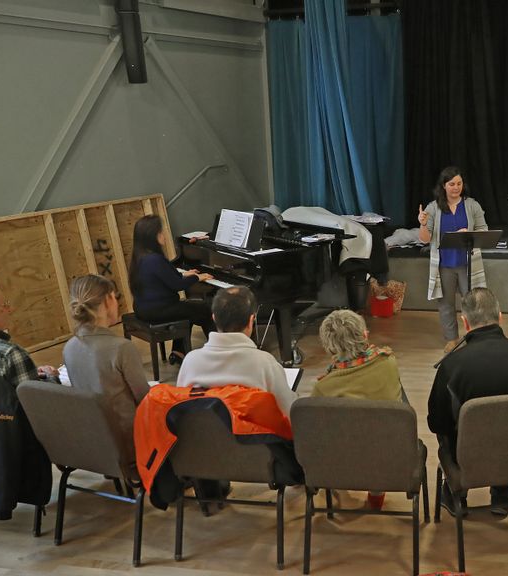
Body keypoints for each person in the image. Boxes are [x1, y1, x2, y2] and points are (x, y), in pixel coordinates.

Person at [427, 288, 508, 517]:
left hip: (469, 456)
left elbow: (437, 423)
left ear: (465, 322)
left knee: (447, 426)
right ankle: (502, 493)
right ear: (500, 317)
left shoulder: (452, 365)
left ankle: (455, 494)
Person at [313, 309, 404, 509]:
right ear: (364, 335)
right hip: (389, 453)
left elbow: (316, 432)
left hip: (344, 459)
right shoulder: (389, 362)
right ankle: (376, 495)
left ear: (329, 348)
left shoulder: (323, 387)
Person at [63, 274, 150, 472]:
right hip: (128, 442)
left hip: (94, 441)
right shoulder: (121, 348)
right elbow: (145, 399)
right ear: (109, 300)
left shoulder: (69, 347)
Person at [176, 286, 296, 420]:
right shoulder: (265, 363)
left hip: (205, 438)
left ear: (214, 318)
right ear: (251, 320)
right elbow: (288, 412)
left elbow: (181, 409)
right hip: (252, 439)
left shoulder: (191, 361)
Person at [417, 166, 489, 353]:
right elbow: (425, 239)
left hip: (467, 264)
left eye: (459, 183)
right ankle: (452, 339)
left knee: (473, 303)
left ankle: (475, 337)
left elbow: (483, 230)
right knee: (446, 304)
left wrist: (469, 233)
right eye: (451, 184)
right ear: (444, 186)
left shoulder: (472, 205)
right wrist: (423, 224)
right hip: (445, 264)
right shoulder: (432, 208)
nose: (456, 187)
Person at [128, 214, 215, 362]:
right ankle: (216, 352)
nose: (164, 235)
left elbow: (164, 277)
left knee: (187, 309)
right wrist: (197, 277)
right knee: (205, 308)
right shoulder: (155, 259)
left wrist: (185, 274)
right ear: (152, 236)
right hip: (158, 311)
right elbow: (177, 285)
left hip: (143, 309)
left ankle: (178, 352)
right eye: (160, 232)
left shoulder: (141, 256)